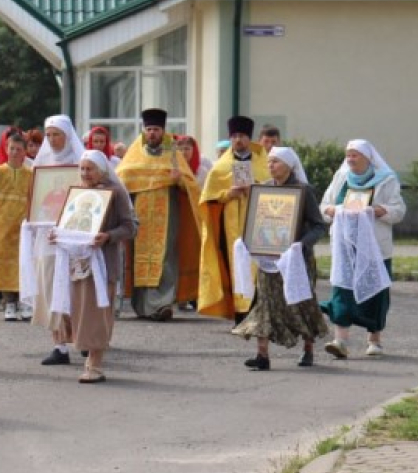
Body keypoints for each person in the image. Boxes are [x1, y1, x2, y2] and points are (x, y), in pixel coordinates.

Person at [231, 148, 328, 370]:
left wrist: (301, 245)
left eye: (276, 162)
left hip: (295, 259)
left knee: (301, 303)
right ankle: (262, 355)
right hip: (268, 258)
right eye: (269, 162)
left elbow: (318, 226)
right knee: (265, 303)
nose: (271, 166)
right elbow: (259, 221)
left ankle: (308, 348)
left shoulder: (303, 191)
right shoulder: (264, 189)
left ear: (289, 165)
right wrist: (247, 240)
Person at [47, 152, 136, 383]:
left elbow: (130, 227)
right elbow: (69, 224)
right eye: (82, 169)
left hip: (103, 263)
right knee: (80, 312)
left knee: (97, 315)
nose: (85, 173)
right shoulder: (77, 193)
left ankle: (95, 365)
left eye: (90, 169)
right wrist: (57, 235)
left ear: (102, 170)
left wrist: (108, 236)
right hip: (77, 263)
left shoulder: (116, 193)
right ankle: (88, 359)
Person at [319, 140, 406, 358]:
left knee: (376, 292)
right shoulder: (341, 177)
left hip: (375, 248)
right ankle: (340, 341)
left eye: (355, 155)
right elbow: (323, 206)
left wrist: (377, 210)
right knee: (342, 291)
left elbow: (399, 210)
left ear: (368, 158)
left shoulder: (386, 180)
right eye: (348, 155)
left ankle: (374, 340)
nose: (350, 159)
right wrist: (334, 210)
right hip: (345, 248)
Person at [117, 109, 202, 321]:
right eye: (149, 129)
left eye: (156, 129)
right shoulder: (134, 153)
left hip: (167, 213)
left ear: (163, 131)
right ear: (144, 131)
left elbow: (191, 185)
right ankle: (143, 306)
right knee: (139, 257)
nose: (152, 133)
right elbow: (122, 178)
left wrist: (179, 179)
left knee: (165, 256)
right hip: (140, 214)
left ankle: (162, 304)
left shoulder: (173, 154)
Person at [197, 116, 271, 325]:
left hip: (259, 223)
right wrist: (227, 194)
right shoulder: (221, 167)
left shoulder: (263, 163)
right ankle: (240, 314)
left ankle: (258, 312)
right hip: (230, 226)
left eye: (242, 136)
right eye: (235, 136)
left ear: (249, 138)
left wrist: (254, 187)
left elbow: (274, 188)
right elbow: (208, 197)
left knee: (258, 266)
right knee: (236, 265)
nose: (238, 140)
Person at [31, 116, 88, 366]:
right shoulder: (42, 163)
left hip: (76, 237)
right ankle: (59, 345)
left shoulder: (81, 162)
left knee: (78, 289)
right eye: (49, 135)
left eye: (57, 134)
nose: (52, 140)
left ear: (67, 136)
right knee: (51, 287)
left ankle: (84, 338)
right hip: (48, 237)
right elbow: (37, 200)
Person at [0, 133, 32, 319]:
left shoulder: (31, 175)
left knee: (22, 263)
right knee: (3, 265)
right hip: (0, 225)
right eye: (12, 148)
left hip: (23, 226)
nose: (15, 152)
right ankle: (9, 302)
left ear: (25, 152)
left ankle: (24, 301)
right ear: (6, 149)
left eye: (19, 149)